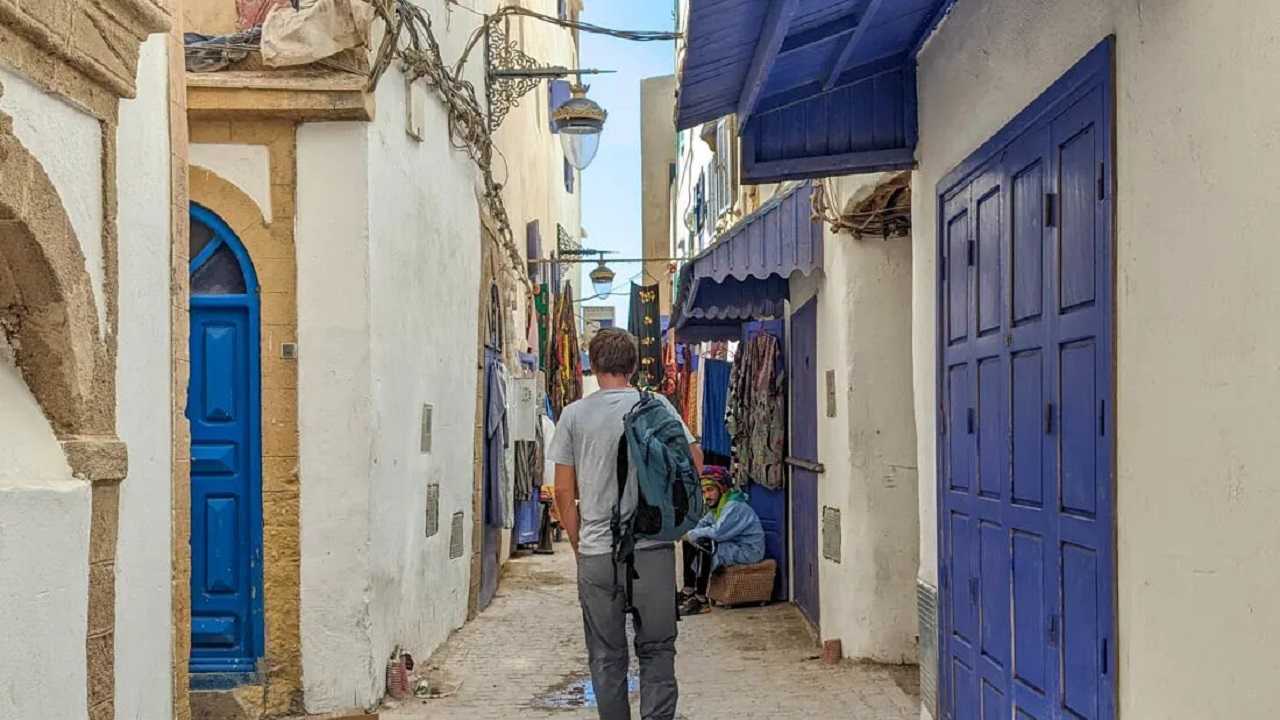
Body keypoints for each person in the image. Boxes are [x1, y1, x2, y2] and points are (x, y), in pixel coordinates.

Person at [548, 327, 703, 720]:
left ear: (593, 365)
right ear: (634, 366)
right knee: (657, 650)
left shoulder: (574, 415)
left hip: (599, 551)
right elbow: (694, 464)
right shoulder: (658, 407)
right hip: (652, 549)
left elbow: (563, 492)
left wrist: (580, 544)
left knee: (606, 656)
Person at [678, 465, 766, 616]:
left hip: (748, 551)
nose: (707, 495)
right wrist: (689, 534)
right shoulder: (720, 505)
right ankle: (689, 590)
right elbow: (704, 524)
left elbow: (718, 532)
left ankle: (701, 600)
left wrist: (692, 534)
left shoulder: (734, 506)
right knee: (693, 539)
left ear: (722, 489)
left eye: (710, 490)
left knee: (705, 543)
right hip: (734, 546)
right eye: (704, 491)